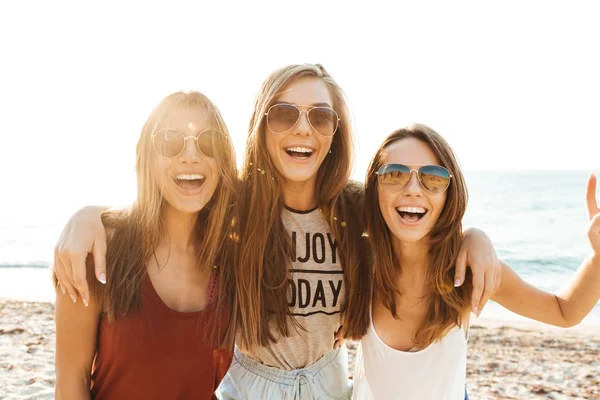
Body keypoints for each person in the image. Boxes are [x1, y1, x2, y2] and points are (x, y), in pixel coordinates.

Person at [53, 64, 501, 399]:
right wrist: (90, 215)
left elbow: (415, 216)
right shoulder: (239, 204)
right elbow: (173, 204)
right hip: (252, 385)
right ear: (262, 127)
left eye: (320, 117)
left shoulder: (356, 207)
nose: (302, 128)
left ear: (335, 132)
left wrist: (474, 237)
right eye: (283, 113)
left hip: (330, 382)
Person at [353, 124, 600, 400]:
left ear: (449, 194)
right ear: (375, 189)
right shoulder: (358, 264)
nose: (413, 189)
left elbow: (564, 312)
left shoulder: (468, 270)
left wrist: (598, 258)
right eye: (394, 175)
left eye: (433, 178)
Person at [53, 91, 238, 399]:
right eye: (170, 141)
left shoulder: (233, 257)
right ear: (147, 158)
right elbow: (70, 379)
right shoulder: (96, 253)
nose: (191, 155)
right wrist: (84, 214)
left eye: (208, 143)